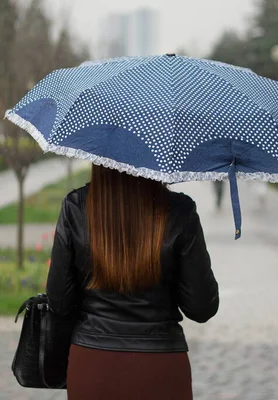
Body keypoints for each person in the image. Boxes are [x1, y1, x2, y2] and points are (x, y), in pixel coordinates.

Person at [46, 165, 220, 400]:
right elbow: (201, 308)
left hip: (93, 365)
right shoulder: (180, 211)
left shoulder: (75, 207)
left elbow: (59, 302)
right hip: (161, 367)